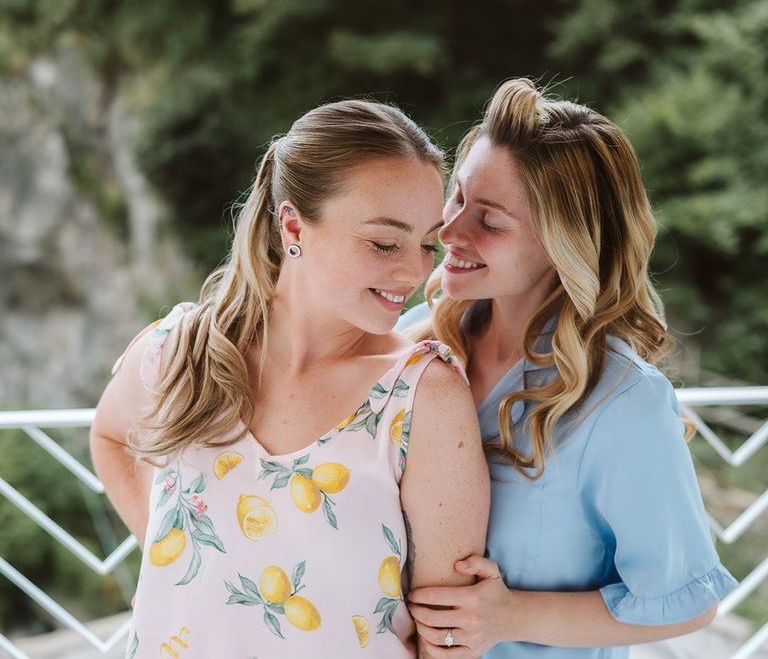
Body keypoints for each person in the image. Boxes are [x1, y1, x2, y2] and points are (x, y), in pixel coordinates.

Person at [90, 99, 490, 659]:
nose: (414, 271)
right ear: (293, 223)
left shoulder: (421, 394)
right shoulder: (180, 349)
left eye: (428, 244)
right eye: (383, 242)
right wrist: (180, 560)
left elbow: (448, 638)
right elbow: (109, 437)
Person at [397, 78, 737, 658]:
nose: (449, 232)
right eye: (457, 197)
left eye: (491, 221)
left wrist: (510, 617)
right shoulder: (421, 337)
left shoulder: (622, 403)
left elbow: (688, 601)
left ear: (566, 244)